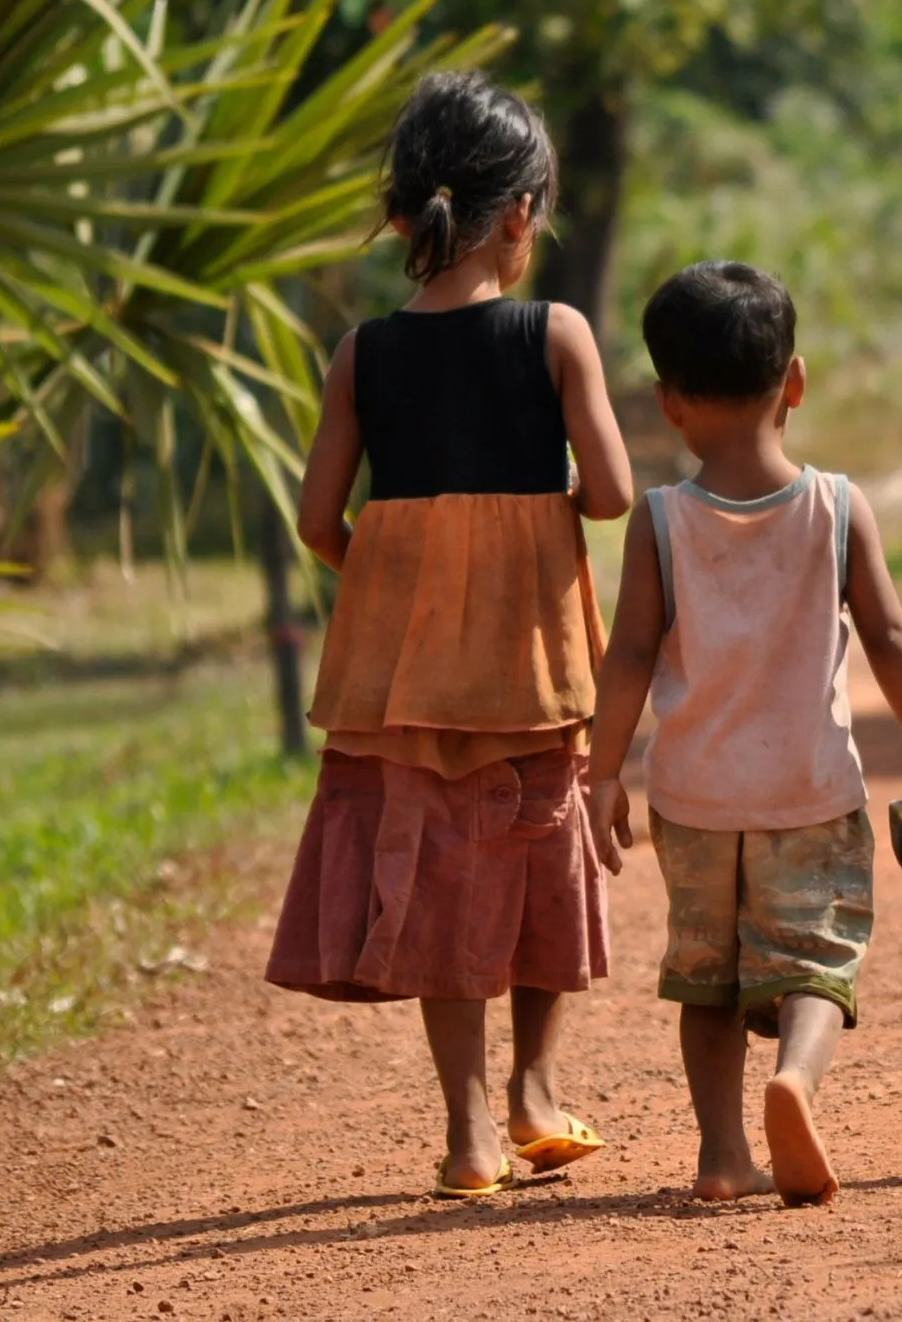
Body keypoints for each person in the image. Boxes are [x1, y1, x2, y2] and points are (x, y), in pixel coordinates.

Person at [264, 72, 634, 1201]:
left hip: (406, 675)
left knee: (436, 874)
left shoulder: (362, 352)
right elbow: (613, 492)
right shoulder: (554, 333)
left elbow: (318, 521)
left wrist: (397, 580)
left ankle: (468, 1130)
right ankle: (536, 1088)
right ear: (520, 214)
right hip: (533, 664)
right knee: (538, 859)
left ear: (405, 213)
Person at [585, 262, 902, 1207]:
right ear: (793, 383)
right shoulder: (838, 508)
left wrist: (601, 778)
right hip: (809, 789)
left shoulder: (660, 522)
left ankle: (722, 1155)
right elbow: (886, 635)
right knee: (816, 959)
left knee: (706, 981)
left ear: (670, 404)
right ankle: (796, 1079)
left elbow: (629, 655)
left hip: (694, 798)